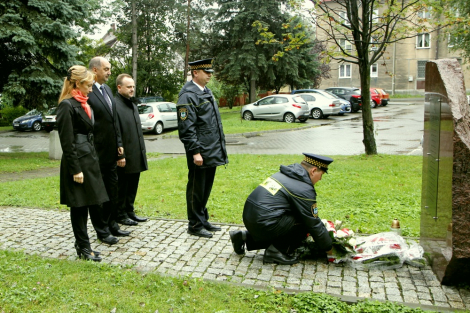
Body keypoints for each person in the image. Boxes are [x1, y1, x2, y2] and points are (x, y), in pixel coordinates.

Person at [229, 153, 334, 265]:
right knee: (303, 222)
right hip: (264, 223)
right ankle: (276, 251)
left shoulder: (287, 174)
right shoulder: (303, 188)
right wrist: (329, 248)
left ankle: (244, 237)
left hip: (251, 217)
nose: (321, 179)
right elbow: (313, 223)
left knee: (290, 218)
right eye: (321, 174)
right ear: (313, 171)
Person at [56, 65, 110, 262]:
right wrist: (75, 169)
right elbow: (67, 142)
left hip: (89, 159)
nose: (91, 89)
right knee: (79, 206)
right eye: (88, 85)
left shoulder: (83, 103)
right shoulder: (67, 106)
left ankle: (82, 245)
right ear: (77, 84)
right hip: (78, 162)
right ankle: (84, 248)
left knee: (89, 203)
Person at [177, 58, 228, 238]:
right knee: (196, 189)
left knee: (205, 188)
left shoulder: (206, 91)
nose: (209, 76)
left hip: (211, 150)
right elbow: (186, 128)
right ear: (195, 73)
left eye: (210, 73)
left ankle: (202, 219)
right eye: (206, 72)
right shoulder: (188, 95)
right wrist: (195, 152)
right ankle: (195, 224)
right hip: (200, 152)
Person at [87, 57, 130, 243]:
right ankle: (102, 231)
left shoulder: (107, 89)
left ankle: (112, 224)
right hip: (97, 153)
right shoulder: (87, 92)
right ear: (95, 70)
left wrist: (119, 143)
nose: (109, 72)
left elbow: (113, 120)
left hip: (112, 152)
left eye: (110, 69)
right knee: (99, 194)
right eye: (106, 69)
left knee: (113, 191)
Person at [114, 74, 148, 225]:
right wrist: (120, 154)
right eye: (129, 87)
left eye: (133, 86)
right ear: (119, 87)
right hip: (124, 154)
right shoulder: (115, 105)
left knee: (133, 184)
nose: (132, 89)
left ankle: (129, 210)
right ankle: (120, 214)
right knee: (122, 186)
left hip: (136, 152)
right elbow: (116, 132)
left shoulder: (132, 104)